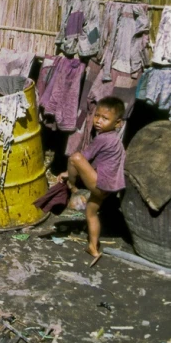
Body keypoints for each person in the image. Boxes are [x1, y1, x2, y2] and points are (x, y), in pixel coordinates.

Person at [58, 96, 126, 266]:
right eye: (97, 116)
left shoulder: (102, 139)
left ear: (118, 124)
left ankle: (73, 188)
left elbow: (83, 158)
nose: (98, 121)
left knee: (74, 157)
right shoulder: (116, 140)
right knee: (91, 213)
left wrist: (69, 174)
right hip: (111, 187)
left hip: (101, 184)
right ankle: (93, 247)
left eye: (105, 118)